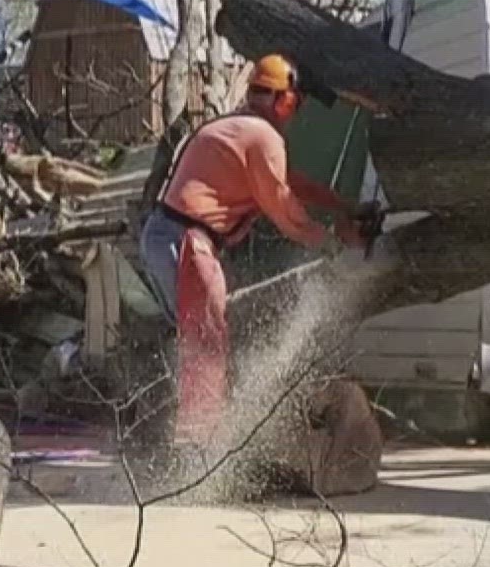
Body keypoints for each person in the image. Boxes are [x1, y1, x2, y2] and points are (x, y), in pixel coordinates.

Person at [138, 53, 368, 442]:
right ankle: (197, 446)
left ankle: (183, 432)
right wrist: (330, 244)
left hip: (172, 236)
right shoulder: (262, 138)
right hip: (188, 241)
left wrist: (344, 206)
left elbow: (289, 182)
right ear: (286, 100)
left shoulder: (239, 128)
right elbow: (287, 214)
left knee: (200, 337)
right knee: (205, 342)